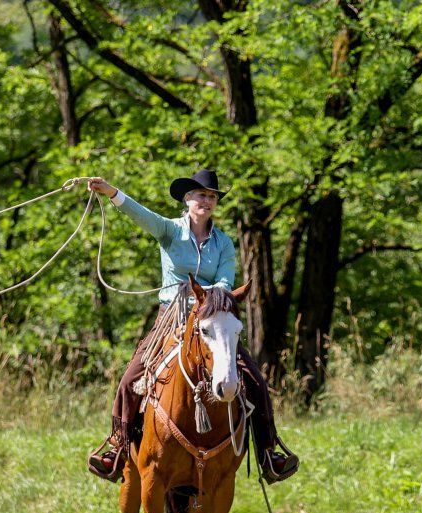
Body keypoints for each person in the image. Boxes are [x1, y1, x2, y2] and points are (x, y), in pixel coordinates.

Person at [84, 169, 299, 484]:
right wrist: (109, 190)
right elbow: (139, 213)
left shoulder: (223, 243)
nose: (207, 201)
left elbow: (226, 280)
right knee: (132, 375)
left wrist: (208, 296)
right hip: (171, 315)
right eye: (201, 195)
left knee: (253, 377)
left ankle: (269, 451)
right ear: (187, 199)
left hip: (211, 317)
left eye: (212, 196)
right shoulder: (170, 231)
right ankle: (117, 446)